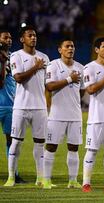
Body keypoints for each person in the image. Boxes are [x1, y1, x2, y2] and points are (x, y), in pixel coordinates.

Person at [4, 25, 50, 187]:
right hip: (21, 107)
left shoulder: (44, 57)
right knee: (16, 142)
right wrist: (36, 67)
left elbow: (47, 84)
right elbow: (18, 78)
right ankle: (11, 177)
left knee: (39, 143)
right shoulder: (16, 56)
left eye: (35, 35)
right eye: (30, 35)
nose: (33, 38)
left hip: (40, 107)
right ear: (22, 39)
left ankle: (40, 178)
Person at [42, 38, 84, 189]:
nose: (70, 48)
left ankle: (73, 180)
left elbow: (82, 90)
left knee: (74, 147)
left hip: (75, 115)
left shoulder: (80, 67)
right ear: (60, 49)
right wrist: (69, 79)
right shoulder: (53, 65)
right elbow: (49, 86)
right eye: (67, 46)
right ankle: (46, 180)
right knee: (51, 146)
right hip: (57, 114)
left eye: (72, 46)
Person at [82, 37, 104, 192]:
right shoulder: (89, 68)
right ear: (97, 49)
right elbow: (90, 90)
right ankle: (86, 183)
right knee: (92, 150)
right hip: (96, 117)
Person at [0, 29, 25, 183]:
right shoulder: (4, 59)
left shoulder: (14, 57)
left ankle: (13, 173)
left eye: (10, 37)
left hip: (10, 105)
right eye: (5, 37)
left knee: (12, 140)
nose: (8, 40)